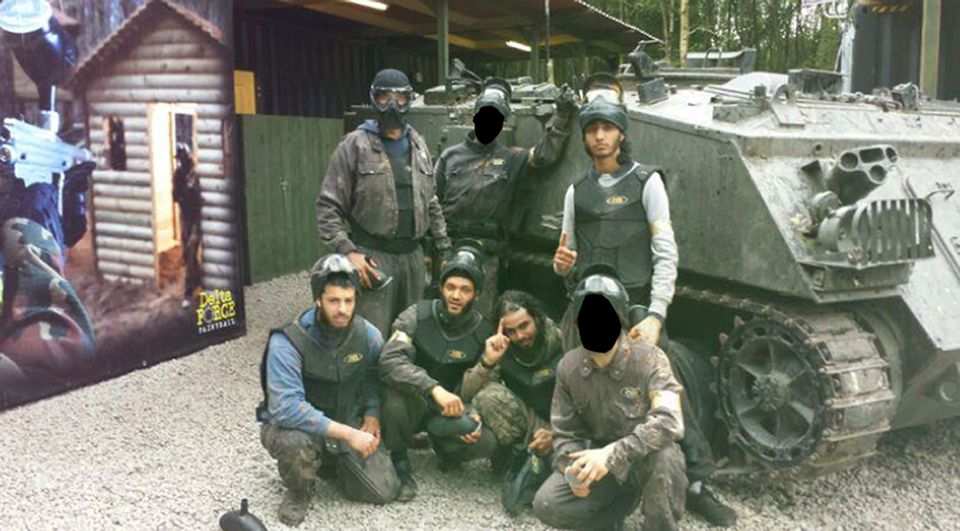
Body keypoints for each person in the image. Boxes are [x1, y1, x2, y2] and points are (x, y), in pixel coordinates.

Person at [552, 74, 736, 526]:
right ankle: (590, 471)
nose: (599, 136)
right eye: (591, 129)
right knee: (577, 383)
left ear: (621, 134)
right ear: (585, 137)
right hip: (589, 308)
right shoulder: (577, 190)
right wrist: (560, 267)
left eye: (607, 128)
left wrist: (655, 314)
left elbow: (665, 252)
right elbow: (568, 259)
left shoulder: (647, 182)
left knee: (672, 391)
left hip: (636, 307)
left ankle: (694, 481)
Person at [532, 268, 687, 531]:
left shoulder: (651, 359)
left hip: (641, 457)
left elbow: (670, 422)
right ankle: (611, 517)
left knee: (666, 459)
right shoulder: (569, 367)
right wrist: (573, 471)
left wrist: (612, 455)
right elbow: (565, 432)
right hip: (598, 462)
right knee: (547, 504)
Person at [256, 255, 399, 526]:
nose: (343, 309)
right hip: (299, 427)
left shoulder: (368, 335)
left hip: (348, 419)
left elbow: (372, 375)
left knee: (384, 491)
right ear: (318, 300)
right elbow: (286, 408)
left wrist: (372, 413)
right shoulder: (287, 341)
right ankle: (299, 490)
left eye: (349, 301)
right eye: (334, 301)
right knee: (294, 443)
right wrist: (350, 435)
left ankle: (332, 463)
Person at [317, 68, 451, 336]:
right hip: (374, 258)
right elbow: (327, 208)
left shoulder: (418, 144)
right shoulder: (354, 146)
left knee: (411, 334)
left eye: (399, 98)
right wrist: (350, 252)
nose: (392, 105)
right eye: (383, 97)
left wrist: (444, 249)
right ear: (373, 100)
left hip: (413, 258)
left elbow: (431, 201)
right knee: (371, 335)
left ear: (409, 100)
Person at [434, 78, 575, 315]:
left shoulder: (511, 158)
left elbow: (544, 156)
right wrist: (436, 250)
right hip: (450, 245)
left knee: (480, 315)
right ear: (475, 117)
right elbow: (432, 201)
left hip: (488, 252)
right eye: (485, 116)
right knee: (445, 309)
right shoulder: (450, 157)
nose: (489, 123)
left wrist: (560, 118)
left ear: (502, 125)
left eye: (496, 119)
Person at [378, 245, 496, 501]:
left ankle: (445, 449)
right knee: (394, 396)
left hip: (448, 410)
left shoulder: (484, 331)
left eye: (465, 290)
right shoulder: (416, 315)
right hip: (412, 402)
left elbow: (488, 384)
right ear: (441, 287)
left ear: (476, 294)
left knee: (486, 440)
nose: (456, 295)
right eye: (451, 287)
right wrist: (432, 387)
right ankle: (398, 459)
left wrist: (474, 410)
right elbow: (389, 360)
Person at [460, 290, 564, 460]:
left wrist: (556, 434)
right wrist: (488, 362)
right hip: (531, 422)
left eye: (524, 326)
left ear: (537, 318)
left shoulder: (564, 340)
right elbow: (467, 394)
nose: (520, 336)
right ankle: (521, 455)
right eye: (511, 331)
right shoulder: (502, 347)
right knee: (488, 396)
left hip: (565, 426)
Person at [172, 142, 203, 308]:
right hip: (185, 216)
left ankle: (188, 291)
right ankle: (198, 278)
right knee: (186, 253)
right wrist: (184, 194)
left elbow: (197, 197)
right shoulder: (178, 174)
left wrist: (188, 194)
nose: (181, 161)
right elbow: (176, 196)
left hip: (196, 217)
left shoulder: (195, 173)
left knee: (191, 251)